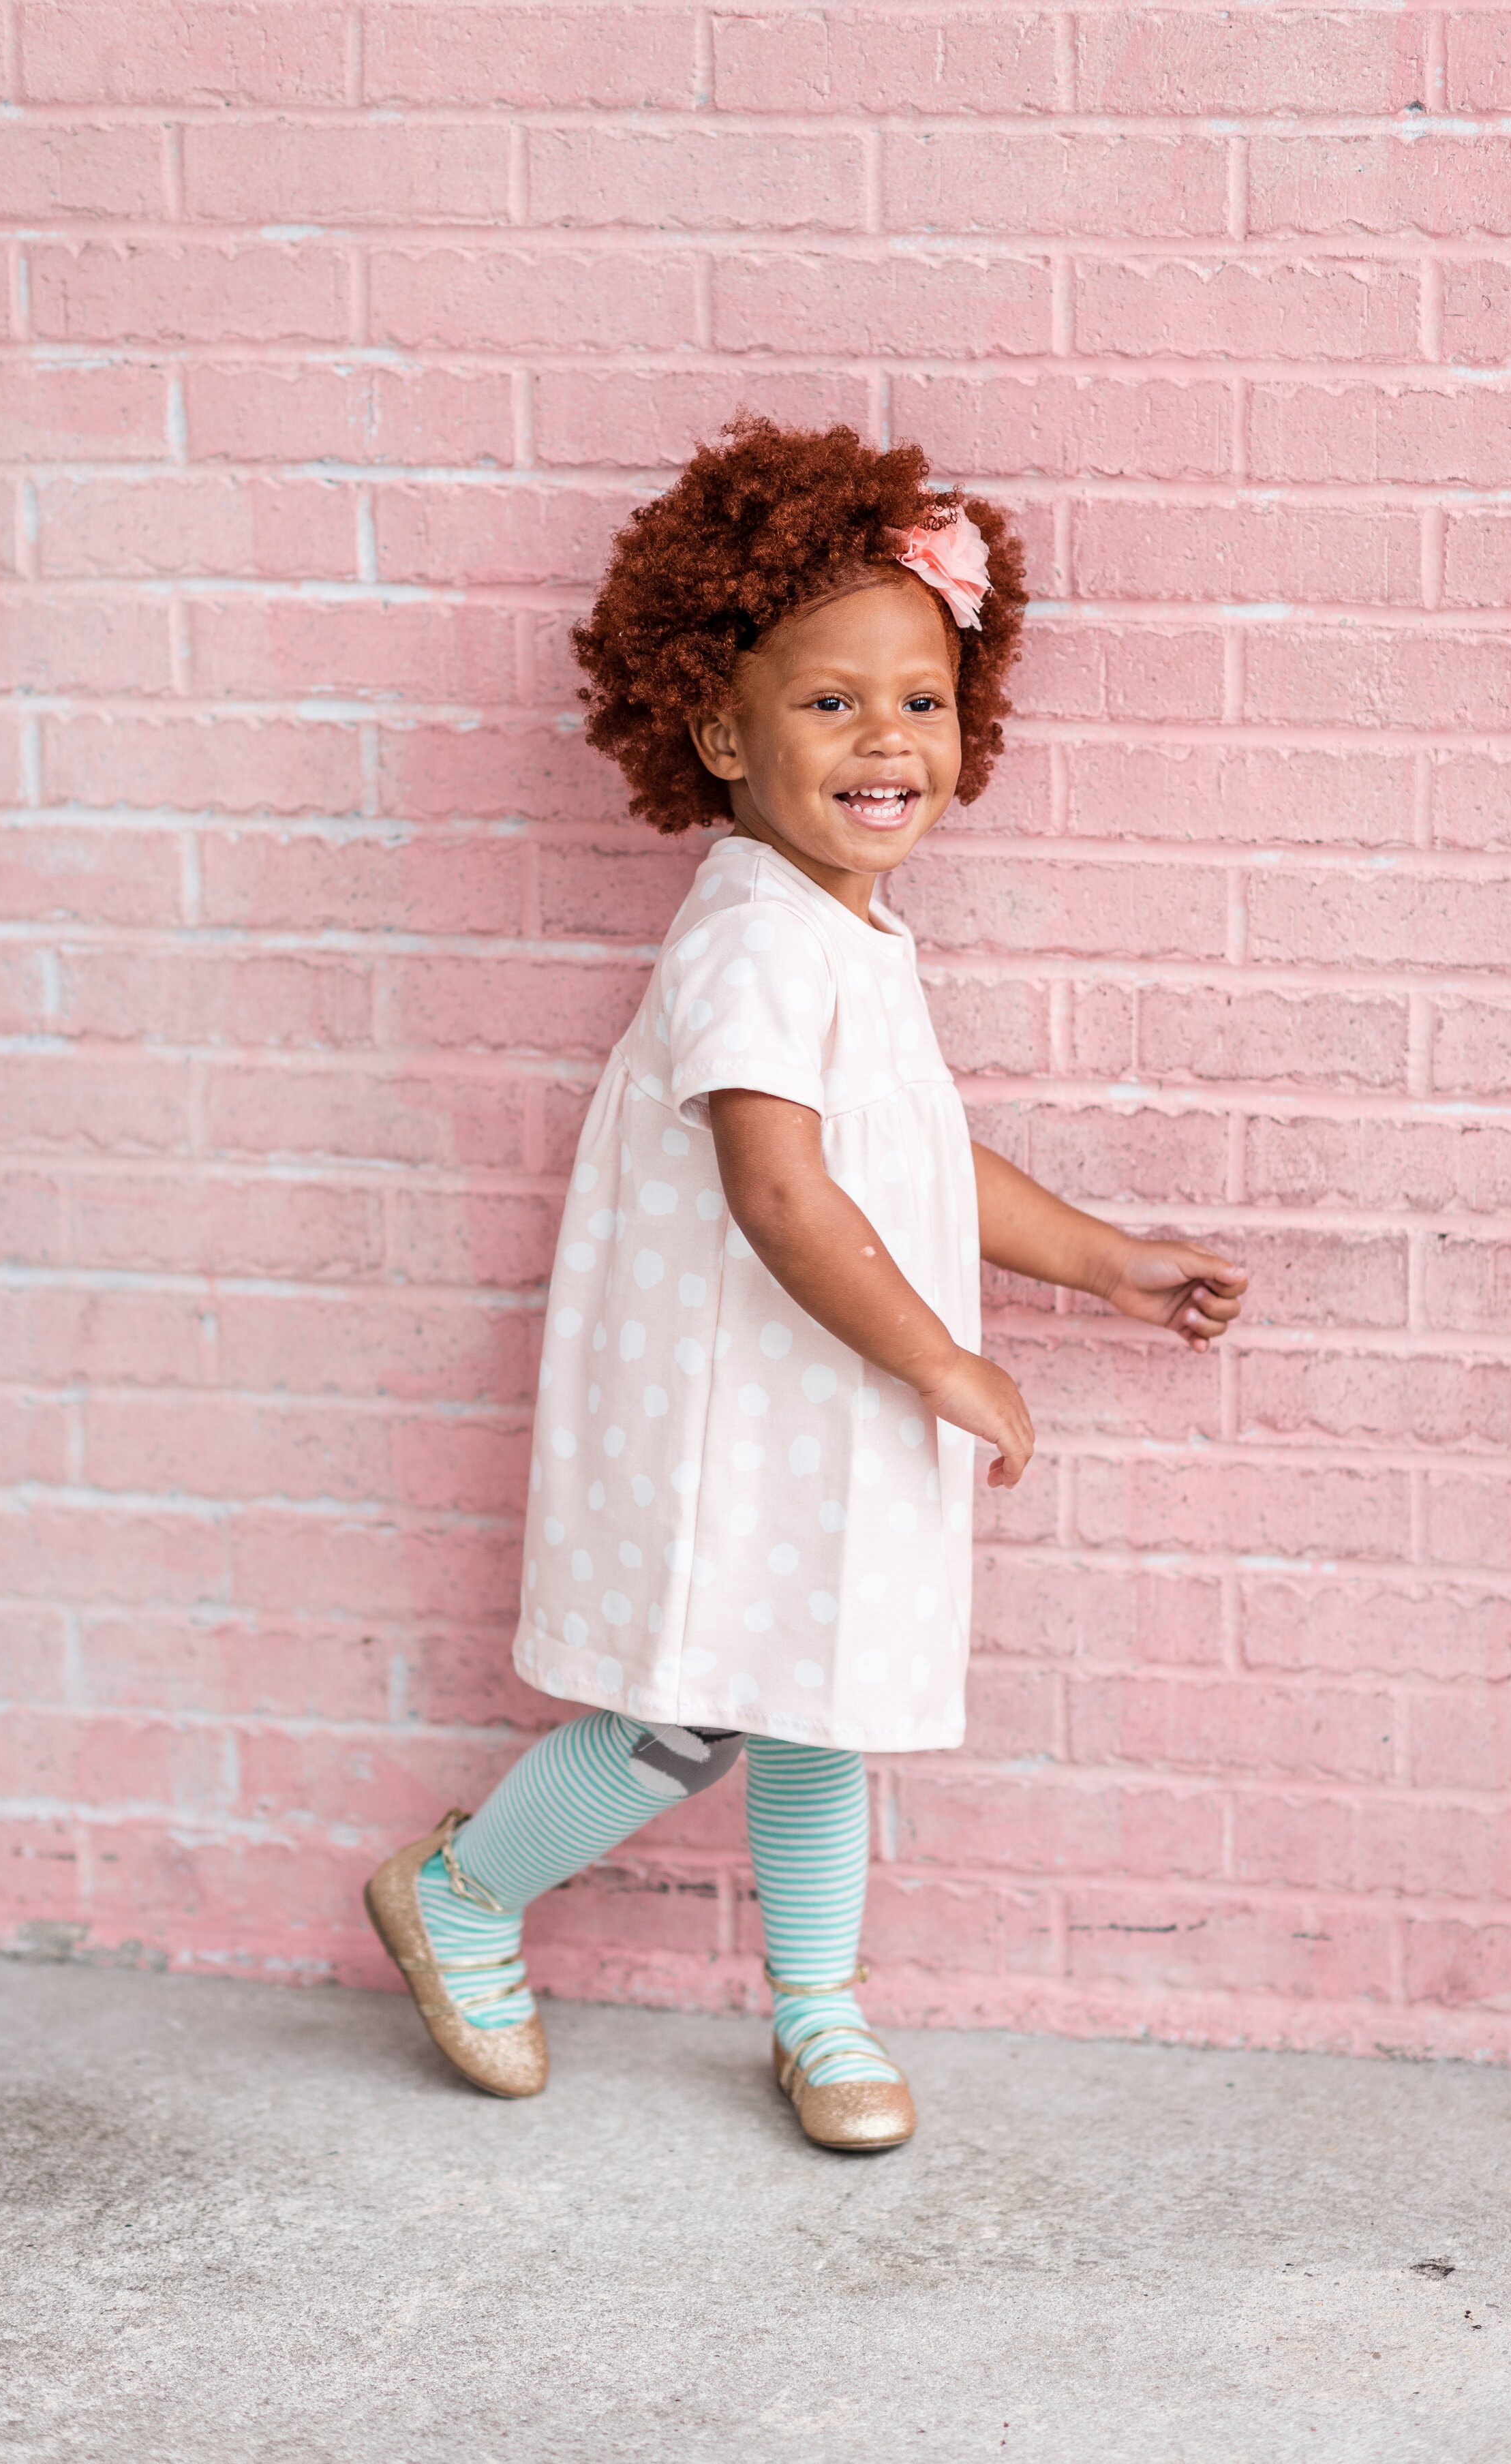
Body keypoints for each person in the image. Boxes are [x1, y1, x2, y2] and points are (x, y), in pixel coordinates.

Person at [365, 417, 1247, 2150]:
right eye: (828, 702)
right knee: (688, 1709)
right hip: (741, 1400)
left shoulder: (841, 927)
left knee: (821, 1702)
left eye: (918, 701)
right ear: (716, 728)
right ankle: (462, 1887)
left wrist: (1109, 1265)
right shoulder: (753, 934)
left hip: (815, 1391)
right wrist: (946, 1361)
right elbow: (779, 1192)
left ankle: (820, 2013)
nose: (885, 741)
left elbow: (911, 1161)